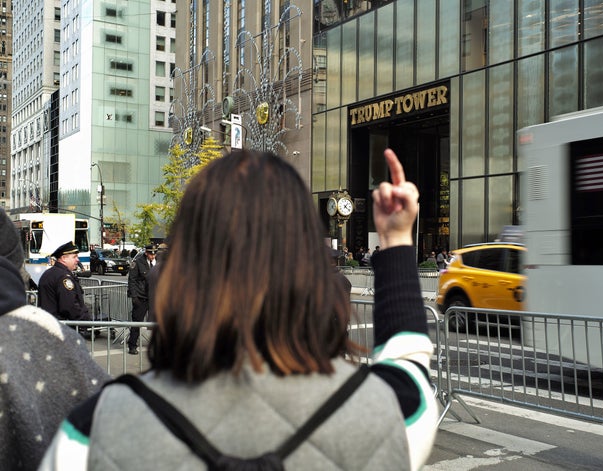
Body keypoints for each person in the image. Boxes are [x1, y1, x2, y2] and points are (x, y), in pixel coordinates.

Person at [41, 148, 438, 470]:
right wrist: (397, 240)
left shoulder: (95, 430)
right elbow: (409, 362)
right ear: (309, 269)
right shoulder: (385, 412)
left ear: (182, 269)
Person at [0, 211, 110, 470]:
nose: (75, 259)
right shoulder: (48, 337)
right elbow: (105, 418)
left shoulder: (48, 274)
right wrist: (89, 322)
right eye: (73, 256)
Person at [38, 241, 92, 324]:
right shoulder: (63, 277)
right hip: (62, 326)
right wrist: (85, 321)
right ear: (63, 258)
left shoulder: (49, 273)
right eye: (74, 257)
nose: (77, 260)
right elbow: (69, 306)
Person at [126, 244, 156, 354]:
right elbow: (132, 280)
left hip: (152, 297)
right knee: (137, 323)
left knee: (154, 323)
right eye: (151, 254)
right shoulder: (138, 262)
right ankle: (132, 345)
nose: (153, 256)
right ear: (146, 253)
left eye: (154, 254)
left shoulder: (155, 262)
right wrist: (134, 296)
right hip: (141, 297)